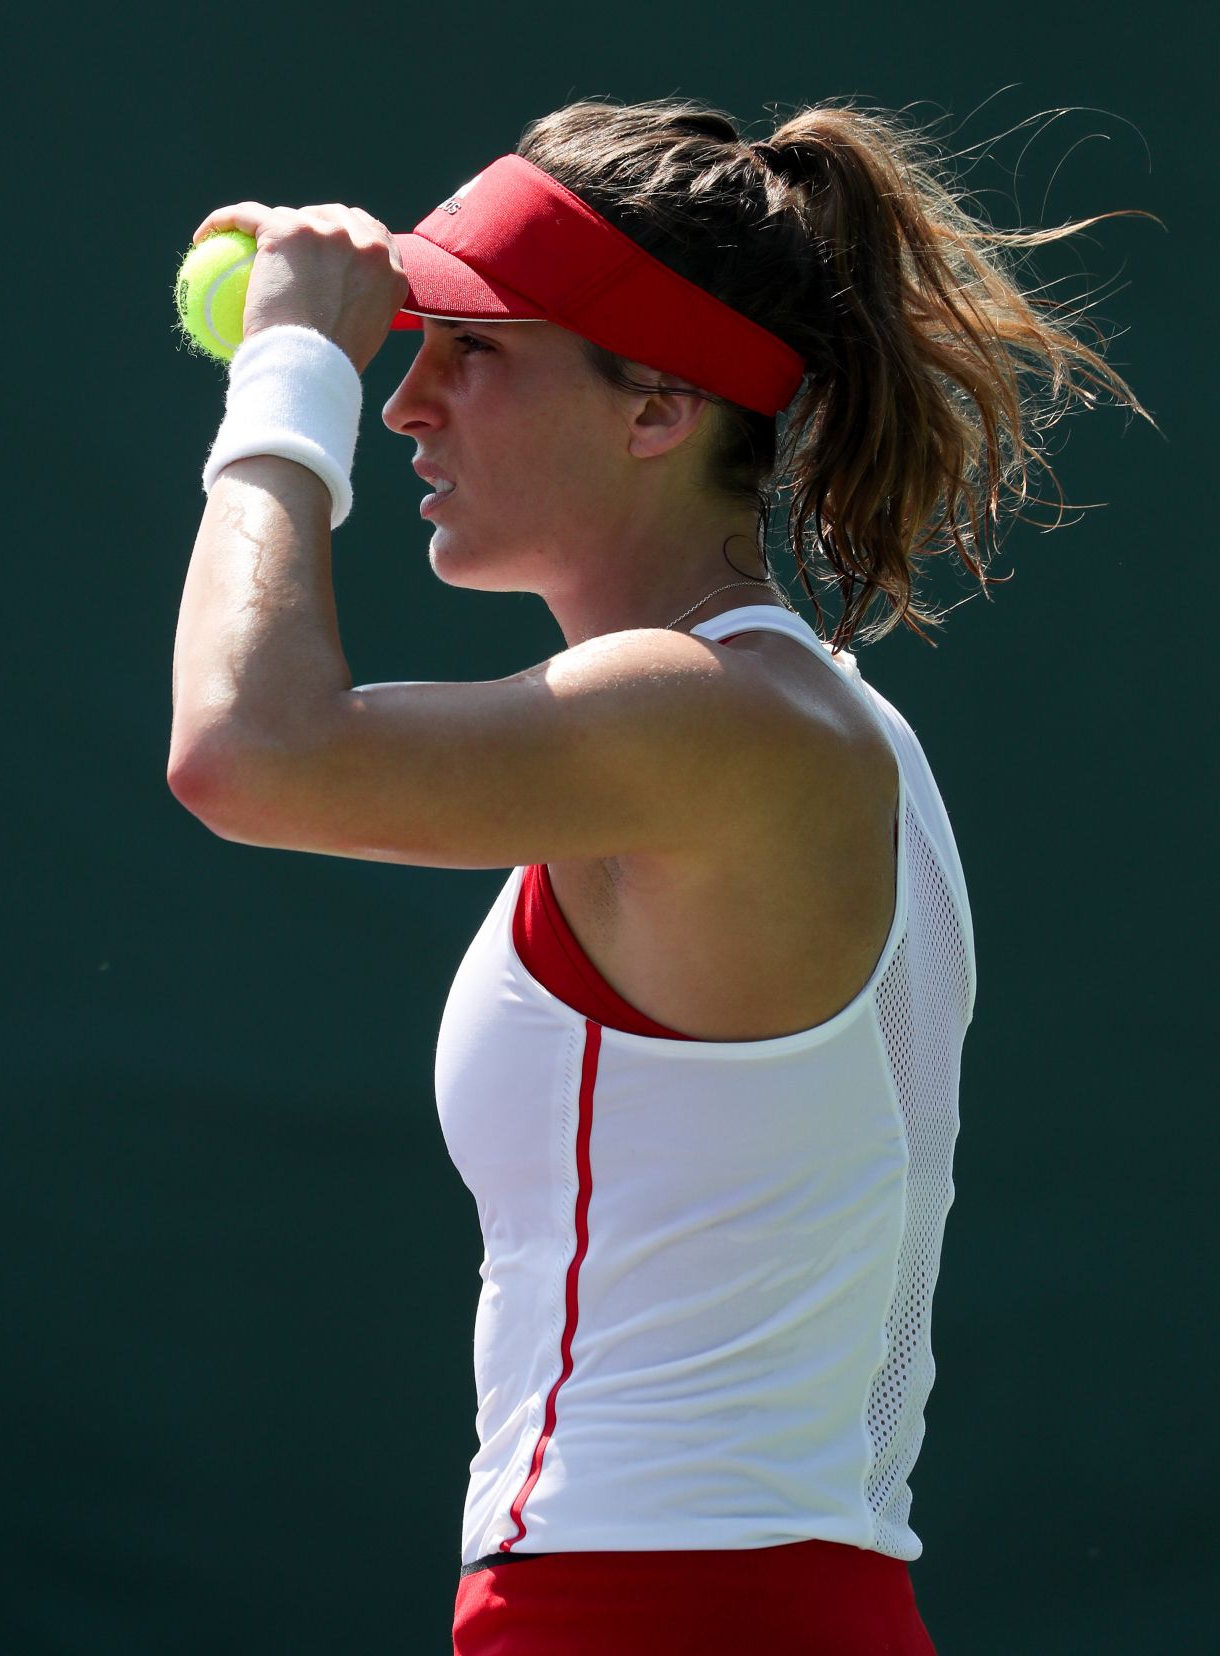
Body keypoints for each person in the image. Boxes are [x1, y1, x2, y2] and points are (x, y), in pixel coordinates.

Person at [168, 96, 1147, 1654]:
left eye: (474, 348)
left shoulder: (718, 720)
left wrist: (289, 377)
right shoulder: (766, 716)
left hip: (650, 1610)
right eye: (413, 348)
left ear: (657, 412)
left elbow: (246, 752)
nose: (411, 399)